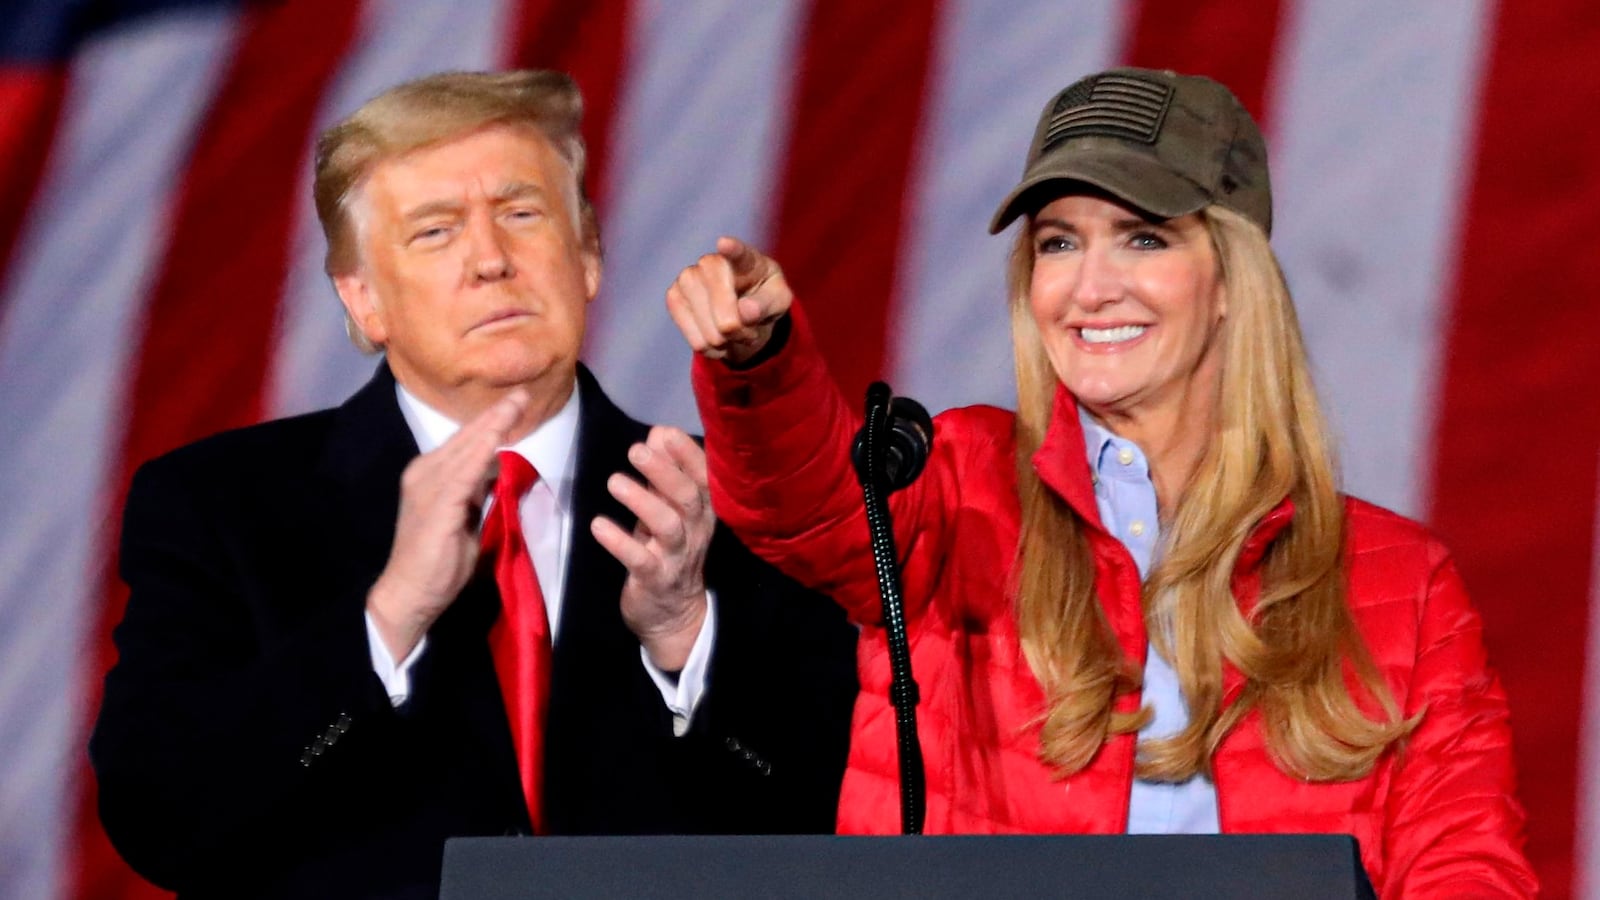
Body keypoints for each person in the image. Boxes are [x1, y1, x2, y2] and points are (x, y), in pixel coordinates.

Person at [667, 67, 1537, 897]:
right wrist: (762, 365)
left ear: (1232, 279)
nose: (1089, 287)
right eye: (1058, 243)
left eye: (1143, 237)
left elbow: (1463, 862)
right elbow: (804, 505)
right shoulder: (958, 484)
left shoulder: (1398, 581)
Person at [89, 70, 857, 899]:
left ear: (589, 255)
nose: (491, 260)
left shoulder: (727, 502)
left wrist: (686, 639)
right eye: (434, 232)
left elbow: (850, 810)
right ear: (363, 298)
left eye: (522, 214)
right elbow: (158, 815)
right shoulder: (221, 506)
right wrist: (385, 621)